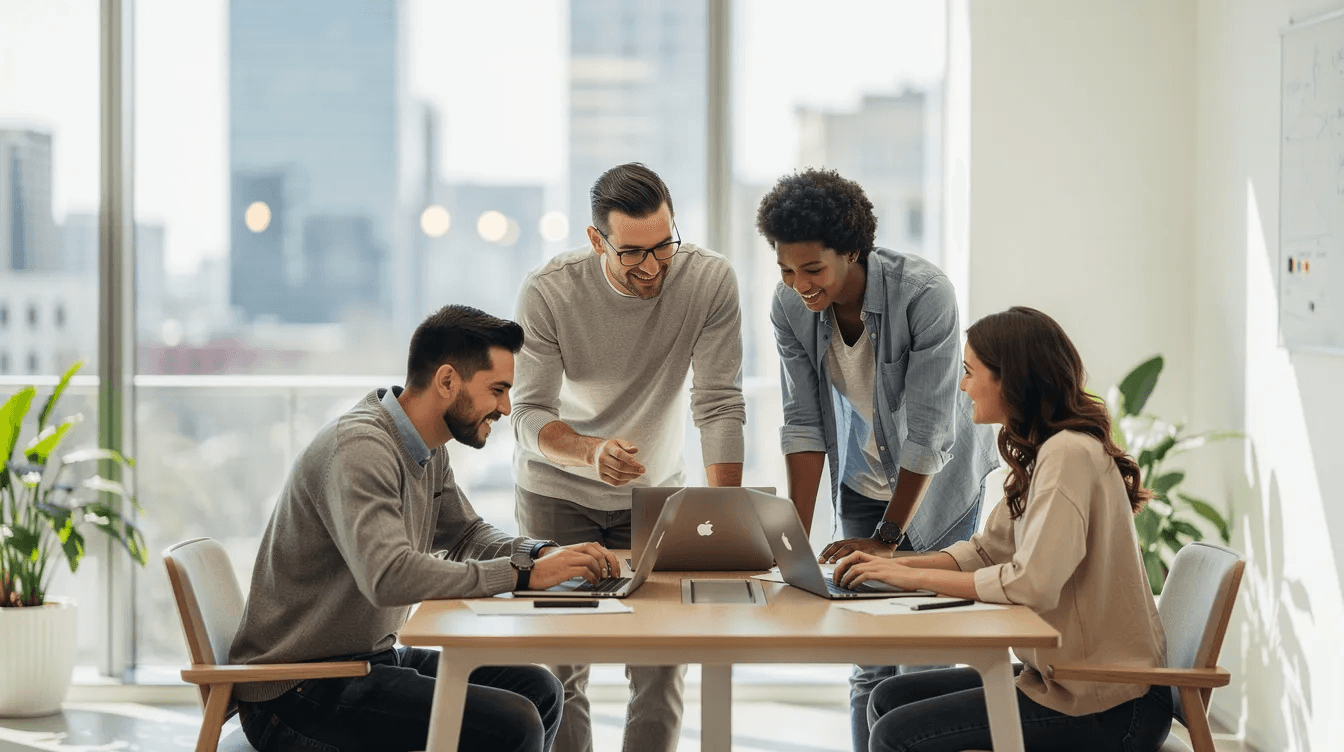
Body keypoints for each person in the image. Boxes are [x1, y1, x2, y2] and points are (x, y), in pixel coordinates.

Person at [230, 305, 623, 752]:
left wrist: (538, 554)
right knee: (512, 724)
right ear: (447, 381)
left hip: (364, 661)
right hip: (299, 690)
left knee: (540, 691)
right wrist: (523, 576)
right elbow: (388, 576)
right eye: (497, 390)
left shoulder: (427, 450)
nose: (506, 408)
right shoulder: (361, 449)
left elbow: (466, 537)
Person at [836, 306, 1174, 752]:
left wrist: (909, 577)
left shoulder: (1069, 454)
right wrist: (888, 564)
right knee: (887, 696)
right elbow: (985, 551)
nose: (962, 386)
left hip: (1108, 702)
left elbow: (1031, 584)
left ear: (1010, 379)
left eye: (970, 372)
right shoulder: (1048, 451)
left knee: (895, 734)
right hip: (1066, 681)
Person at [757, 168, 999, 752]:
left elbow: (929, 433)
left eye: (813, 269)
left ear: (853, 251)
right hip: (863, 482)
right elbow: (805, 423)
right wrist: (793, 537)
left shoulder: (924, 294)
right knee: (868, 659)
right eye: (787, 270)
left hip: (936, 485)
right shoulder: (790, 307)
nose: (799, 284)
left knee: (921, 658)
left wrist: (890, 539)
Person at [511, 162, 747, 752]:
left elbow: (718, 404)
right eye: (633, 253)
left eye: (664, 246)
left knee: (662, 666)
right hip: (557, 492)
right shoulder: (549, 290)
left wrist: (726, 519)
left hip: (657, 495)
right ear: (597, 241)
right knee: (562, 669)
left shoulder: (709, 280)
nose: (653, 267)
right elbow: (527, 414)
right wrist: (591, 453)